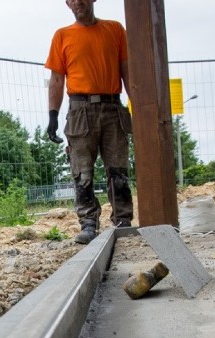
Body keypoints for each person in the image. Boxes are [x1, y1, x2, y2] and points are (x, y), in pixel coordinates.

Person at [45, 0, 134, 245]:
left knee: (118, 167)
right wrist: (53, 115)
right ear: (67, 3)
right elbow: (56, 79)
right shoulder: (62, 36)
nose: (78, 2)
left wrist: (137, 107)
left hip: (113, 105)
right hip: (79, 108)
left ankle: (123, 220)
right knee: (81, 169)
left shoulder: (115, 30)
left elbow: (128, 70)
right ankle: (88, 223)